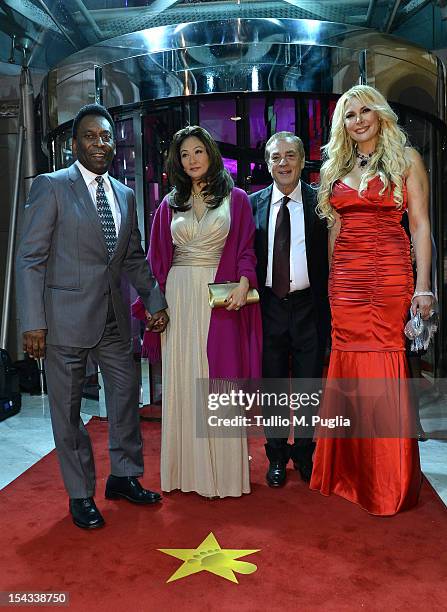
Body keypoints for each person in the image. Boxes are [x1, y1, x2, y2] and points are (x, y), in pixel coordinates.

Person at [16, 104, 169, 530]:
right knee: (66, 413)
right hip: (63, 322)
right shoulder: (51, 187)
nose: (100, 143)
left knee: (123, 400)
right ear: (74, 143)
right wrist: (33, 323)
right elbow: (30, 258)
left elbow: (133, 257)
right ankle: (80, 493)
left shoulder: (125, 194)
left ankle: (123, 476)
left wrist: (154, 300)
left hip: (112, 320)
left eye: (106, 136)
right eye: (90, 136)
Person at [310, 84, 435, 515]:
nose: (358, 119)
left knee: (383, 366)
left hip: (388, 277)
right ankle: (350, 473)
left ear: (380, 114)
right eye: (349, 114)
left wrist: (424, 286)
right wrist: (331, 283)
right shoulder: (334, 167)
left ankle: (386, 480)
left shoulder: (406, 160)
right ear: (341, 125)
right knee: (346, 363)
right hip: (345, 280)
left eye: (365, 111)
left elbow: (420, 227)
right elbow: (334, 230)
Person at [133, 125, 262, 498]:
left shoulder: (236, 198)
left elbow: (247, 250)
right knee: (184, 379)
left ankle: (222, 476)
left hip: (219, 297)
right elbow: (156, 259)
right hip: (179, 296)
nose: (191, 160)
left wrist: (244, 282)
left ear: (211, 154)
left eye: (198, 152)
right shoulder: (169, 203)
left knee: (217, 378)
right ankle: (184, 473)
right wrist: (154, 307)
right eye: (184, 154)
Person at [249, 132, 330, 487]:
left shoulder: (322, 204)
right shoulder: (251, 205)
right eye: (275, 157)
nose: (283, 163)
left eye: (290, 155)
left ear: (301, 160)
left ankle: (306, 453)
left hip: (310, 307)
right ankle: (278, 454)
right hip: (268, 308)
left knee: (311, 385)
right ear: (267, 163)